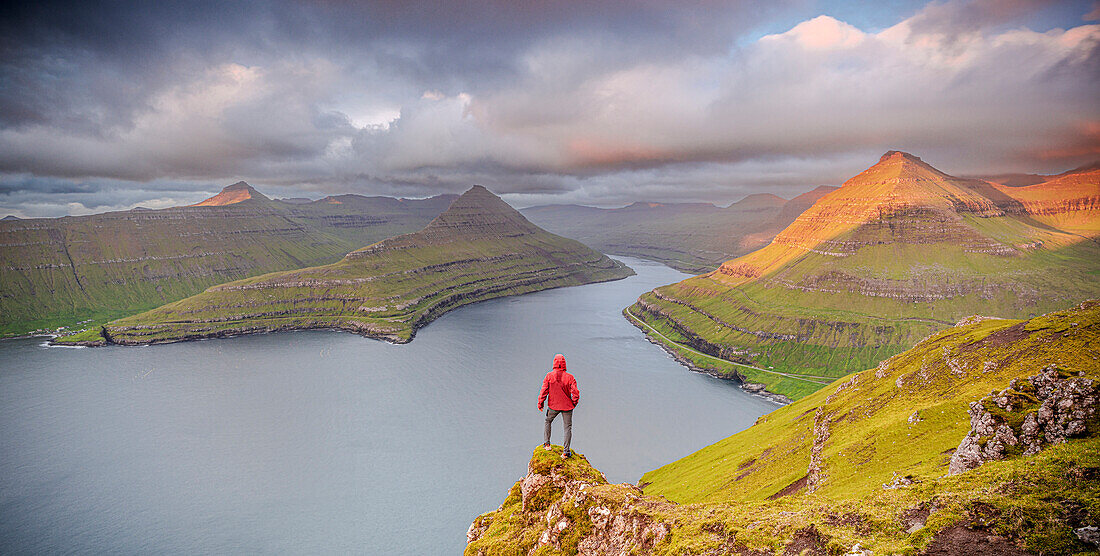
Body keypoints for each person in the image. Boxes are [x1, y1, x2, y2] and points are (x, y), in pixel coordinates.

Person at [538, 353, 580, 459]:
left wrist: (540, 403)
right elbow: (575, 393)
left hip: (553, 406)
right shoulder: (570, 377)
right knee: (567, 428)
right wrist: (574, 403)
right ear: (564, 364)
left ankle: (547, 444)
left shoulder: (549, 376)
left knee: (548, 421)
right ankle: (566, 452)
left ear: (554, 363)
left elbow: (544, 391)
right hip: (567, 406)